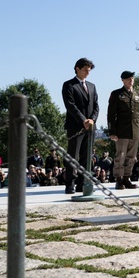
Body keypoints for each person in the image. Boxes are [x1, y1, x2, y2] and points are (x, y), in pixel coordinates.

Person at [61, 57, 99, 194]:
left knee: (86, 157)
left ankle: (82, 184)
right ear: (77, 69)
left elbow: (96, 106)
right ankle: (70, 184)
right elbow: (70, 106)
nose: (87, 73)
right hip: (75, 127)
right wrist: (83, 120)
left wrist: (92, 120)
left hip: (90, 128)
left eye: (89, 71)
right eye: (85, 70)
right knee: (73, 156)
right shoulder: (69, 85)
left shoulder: (92, 86)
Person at [107, 70, 139, 190]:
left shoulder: (138, 94)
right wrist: (112, 132)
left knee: (131, 157)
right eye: (128, 79)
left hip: (135, 130)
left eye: (132, 79)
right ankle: (118, 179)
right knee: (121, 155)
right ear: (122, 80)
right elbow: (111, 114)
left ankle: (127, 178)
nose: (131, 81)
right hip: (121, 130)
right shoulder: (117, 94)